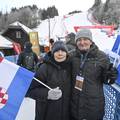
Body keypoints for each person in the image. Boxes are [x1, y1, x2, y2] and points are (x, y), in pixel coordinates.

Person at [70, 29, 118, 120]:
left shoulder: (101, 57)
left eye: (85, 39)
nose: (82, 42)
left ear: (91, 41)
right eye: (79, 40)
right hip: (74, 104)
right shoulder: (72, 56)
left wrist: (111, 76)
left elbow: (107, 80)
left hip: (93, 105)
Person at [26, 41, 72, 120]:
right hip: (47, 115)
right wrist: (47, 94)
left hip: (67, 115)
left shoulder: (71, 67)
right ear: (52, 53)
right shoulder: (44, 68)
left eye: (63, 51)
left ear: (66, 53)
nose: (60, 53)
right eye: (57, 51)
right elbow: (29, 90)